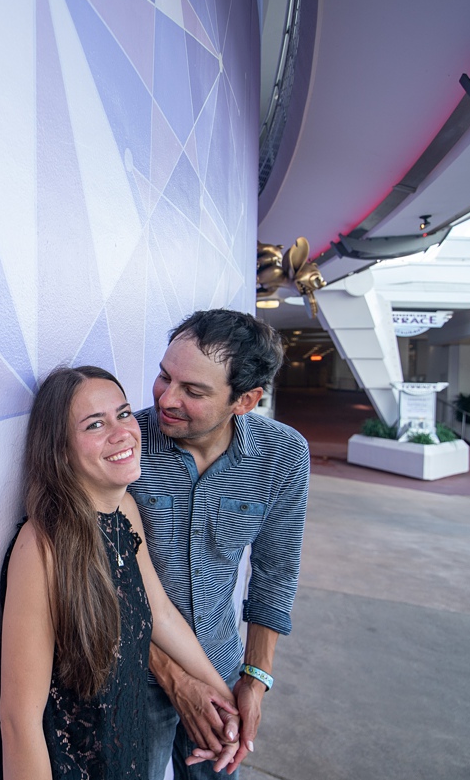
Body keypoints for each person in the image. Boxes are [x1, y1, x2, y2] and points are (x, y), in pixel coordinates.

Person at [0, 365, 243, 780]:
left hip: (124, 755)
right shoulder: (42, 546)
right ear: (60, 449)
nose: (122, 432)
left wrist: (223, 699)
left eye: (124, 414)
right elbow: (19, 721)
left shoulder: (123, 510)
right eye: (95, 424)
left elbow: (159, 612)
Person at [129, 310, 309, 779]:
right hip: (132, 672)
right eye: (165, 376)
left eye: (193, 391)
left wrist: (255, 679)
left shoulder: (284, 455)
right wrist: (174, 677)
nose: (167, 398)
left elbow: (275, 572)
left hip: (221, 669)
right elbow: (97, 577)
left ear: (245, 400)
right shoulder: (124, 445)